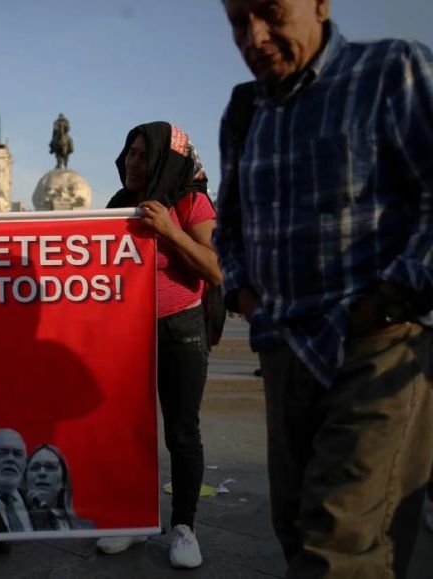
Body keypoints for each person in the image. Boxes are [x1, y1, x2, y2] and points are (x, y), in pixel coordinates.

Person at [215, 1, 433, 576]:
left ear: (319, 4)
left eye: (270, 12)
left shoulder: (392, 71)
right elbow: (229, 225)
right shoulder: (245, 109)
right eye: (240, 21)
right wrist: (247, 300)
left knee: (340, 543)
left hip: (374, 349)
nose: (255, 37)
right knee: (293, 525)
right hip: (287, 350)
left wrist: (390, 300)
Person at [97, 122, 220, 569]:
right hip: (129, 334)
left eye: (143, 156)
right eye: (129, 152)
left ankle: (184, 527)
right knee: (128, 428)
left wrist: (169, 229)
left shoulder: (192, 201)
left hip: (180, 330)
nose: (132, 162)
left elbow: (214, 268)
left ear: (166, 162)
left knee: (182, 432)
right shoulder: (117, 206)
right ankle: (133, 518)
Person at [24, 444, 93, 531]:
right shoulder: (14, 525)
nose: (42, 473)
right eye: (35, 467)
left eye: (50, 467)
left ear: (63, 481)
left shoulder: (85, 528)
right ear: (25, 480)